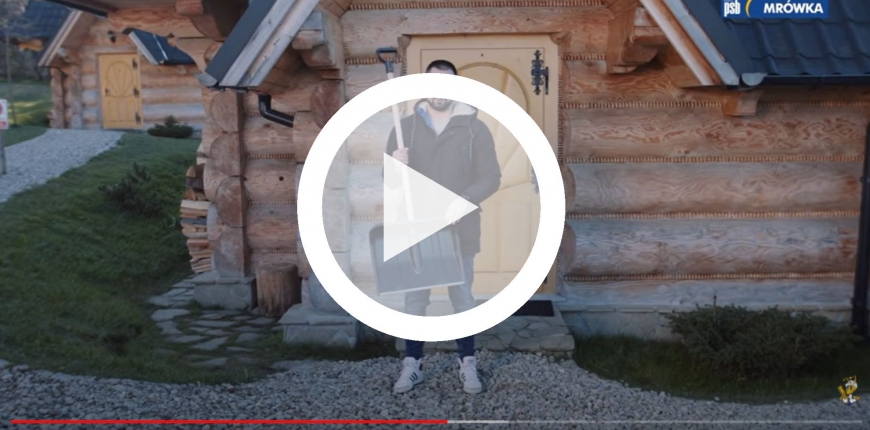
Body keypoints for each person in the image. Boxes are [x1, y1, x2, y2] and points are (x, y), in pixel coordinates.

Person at [383, 59, 502, 394]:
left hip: (459, 229)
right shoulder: (404, 129)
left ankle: (467, 363)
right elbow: (389, 182)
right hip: (417, 227)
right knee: (415, 302)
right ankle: (413, 364)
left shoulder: (475, 129)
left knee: (462, 299)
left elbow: (491, 177)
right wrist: (394, 165)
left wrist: (465, 199)